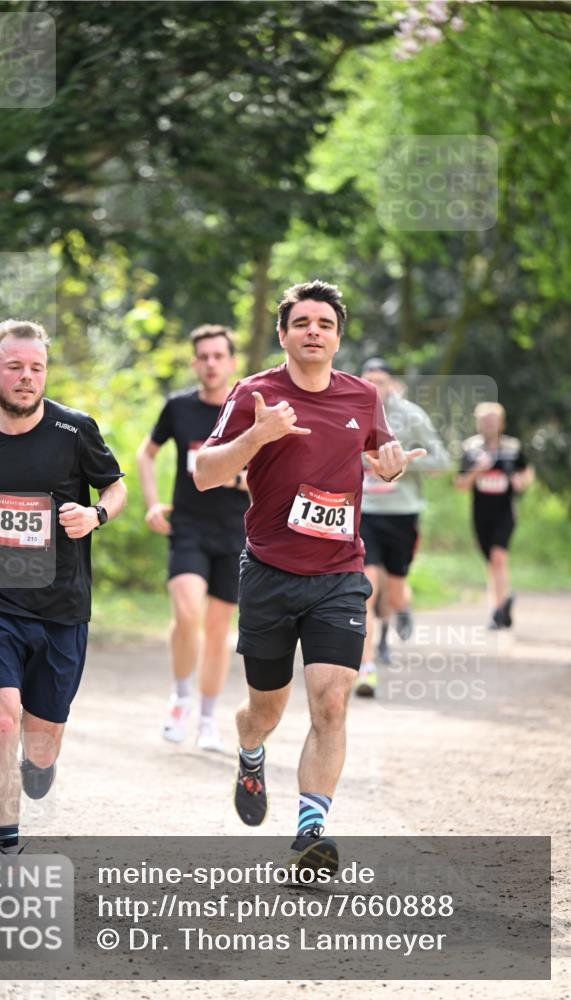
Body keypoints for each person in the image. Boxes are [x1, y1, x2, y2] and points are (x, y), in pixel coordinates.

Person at [194, 280, 426, 874]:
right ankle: (250, 751)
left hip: (338, 575)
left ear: (338, 337)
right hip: (269, 574)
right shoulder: (256, 393)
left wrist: (391, 466)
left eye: (325, 323)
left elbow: (380, 457)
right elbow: (204, 472)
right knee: (265, 710)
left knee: (331, 699)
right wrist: (258, 434)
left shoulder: (362, 396)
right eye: (302, 323)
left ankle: (311, 833)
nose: (313, 332)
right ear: (283, 334)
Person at [0, 319, 126, 854]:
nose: (27, 376)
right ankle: (9, 849)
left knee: (39, 745)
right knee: (3, 717)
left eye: (36, 367)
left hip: (62, 605)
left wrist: (97, 515)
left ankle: (39, 762)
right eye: (15, 367)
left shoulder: (74, 431)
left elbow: (115, 486)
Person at [136, 325, 249, 752]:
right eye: (204, 357)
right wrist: (152, 503)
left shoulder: (248, 410)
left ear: (232, 362)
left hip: (235, 532)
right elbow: (146, 454)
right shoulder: (178, 407)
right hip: (188, 527)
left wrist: (238, 478)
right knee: (186, 613)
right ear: (194, 363)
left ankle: (207, 721)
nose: (211, 364)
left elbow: (272, 470)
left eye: (219, 356)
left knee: (218, 630)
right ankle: (181, 699)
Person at [355, 358, 450, 697]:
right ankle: (366, 668)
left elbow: (441, 460)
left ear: (391, 384)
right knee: (366, 588)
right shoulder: (352, 412)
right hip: (365, 512)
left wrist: (401, 464)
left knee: (393, 593)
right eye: (368, 380)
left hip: (402, 514)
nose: (374, 387)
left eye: (380, 381)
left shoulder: (411, 416)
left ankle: (399, 612)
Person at [455, 402, 534, 629]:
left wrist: (521, 481)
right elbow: (460, 484)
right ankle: (502, 602)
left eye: (493, 420)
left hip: (505, 512)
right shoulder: (471, 449)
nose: (489, 424)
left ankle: (498, 611)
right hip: (481, 514)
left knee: (499, 557)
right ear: (478, 423)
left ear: (501, 423)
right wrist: (477, 470)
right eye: (484, 420)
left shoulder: (512, 447)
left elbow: (526, 471)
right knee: (491, 562)